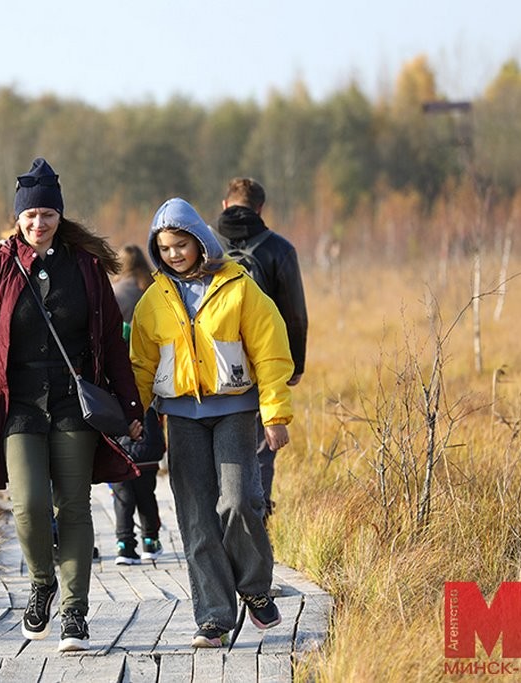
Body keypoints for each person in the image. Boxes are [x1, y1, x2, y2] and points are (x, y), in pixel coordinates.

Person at [0, 157, 144, 653]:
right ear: (18, 217)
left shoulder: (84, 268)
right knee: (31, 506)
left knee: (75, 507)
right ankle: (43, 582)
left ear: (61, 217)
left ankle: (75, 614)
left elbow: (109, 338)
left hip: (71, 402)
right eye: (31, 215)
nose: (39, 224)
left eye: (48, 215)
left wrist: (129, 405)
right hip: (17, 405)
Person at [129, 197, 295, 649]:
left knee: (239, 502)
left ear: (200, 241)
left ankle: (256, 590)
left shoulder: (239, 288)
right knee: (197, 518)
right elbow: (142, 366)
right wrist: (133, 417)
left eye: (180, 245)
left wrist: (275, 414)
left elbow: (271, 351)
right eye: (163, 249)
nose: (173, 255)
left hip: (235, 411)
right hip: (180, 418)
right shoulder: (152, 301)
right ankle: (214, 618)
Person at [213, 178, 308, 520]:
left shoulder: (205, 244)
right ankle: (258, 514)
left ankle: (222, 514)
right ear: (260, 209)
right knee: (261, 445)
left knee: (216, 439)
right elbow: (294, 313)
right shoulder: (279, 248)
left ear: (225, 205)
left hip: (212, 363)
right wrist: (295, 365)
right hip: (262, 361)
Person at [109, 245, 165, 566]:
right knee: (147, 492)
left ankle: (123, 543)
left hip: (119, 408)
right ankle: (149, 538)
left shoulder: (114, 293)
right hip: (149, 390)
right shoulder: (152, 291)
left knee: (122, 493)